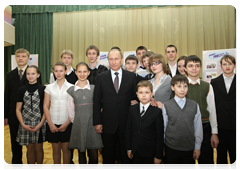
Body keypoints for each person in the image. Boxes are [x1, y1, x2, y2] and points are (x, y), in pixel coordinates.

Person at [93, 49, 137, 169]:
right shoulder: (101, 78)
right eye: (111, 59)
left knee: (126, 155)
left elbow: (136, 98)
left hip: (126, 123)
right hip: (107, 123)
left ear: (122, 59)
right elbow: (96, 101)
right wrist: (97, 122)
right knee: (108, 155)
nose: (113, 62)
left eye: (116, 58)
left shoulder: (131, 77)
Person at [4, 48, 42, 169]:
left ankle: (31, 164)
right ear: (15, 58)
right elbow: (6, 95)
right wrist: (5, 115)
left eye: (23, 56)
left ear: (28, 58)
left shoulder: (34, 73)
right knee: (15, 142)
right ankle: (17, 164)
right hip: (13, 113)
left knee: (30, 144)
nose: (20, 58)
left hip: (31, 114)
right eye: (18, 56)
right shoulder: (10, 75)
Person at [185, 55, 219, 169]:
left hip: (205, 127)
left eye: (197, 66)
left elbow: (212, 110)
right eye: (190, 66)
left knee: (207, 161)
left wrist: (214, 132)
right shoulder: (181, 86)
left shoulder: (207, 86)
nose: (194, 68)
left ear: (200, 68)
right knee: (188, 162)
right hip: (187, 128)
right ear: (185, 68)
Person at [67, 62, 103, 169]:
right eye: (79, 71)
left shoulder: (94, 88)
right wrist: (77, 121)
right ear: (76, 73)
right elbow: (70, 109)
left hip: (93, 124)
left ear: (88, 73)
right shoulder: (71, 90)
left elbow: (99, 106)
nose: (82, 74)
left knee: (94, 156)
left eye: (84, 71)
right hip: (79, 125)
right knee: (81, 153)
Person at [162, 74, 203, 169]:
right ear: (172, 87)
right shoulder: (166, 105)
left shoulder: (194, 105)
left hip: (189, 148)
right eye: (179, 86)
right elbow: (164, 127)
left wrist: (197, 147)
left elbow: (198, 127)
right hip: (171, 148)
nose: (182, 89)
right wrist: (162, 147)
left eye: (185, 86)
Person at [126, 80, 164, 169]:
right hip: (136, 151)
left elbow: (160, 135)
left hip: (151, 152)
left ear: (152, 94)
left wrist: (158, 155)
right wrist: (129, 148)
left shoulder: (157, 112)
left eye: (147, 92)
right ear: (137, 94)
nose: (143, 95)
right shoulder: (132, 109)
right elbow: (129, 130)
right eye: (141, 92)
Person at [44, 62, 73, 169]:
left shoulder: (72, 87)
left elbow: (73, 108)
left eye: (61, 70)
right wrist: (50, 124)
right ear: (53, 72)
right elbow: (45, 106)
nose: (58, 73)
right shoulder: (49, 87)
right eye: (56, 71)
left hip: (67, 122)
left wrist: (66, 123)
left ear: (65, 71)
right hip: (53, 122)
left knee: (66, 150)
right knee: (56, 151)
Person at [16, 65, 46, 169]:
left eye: (33, 74)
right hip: (26, 122)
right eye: (28, 74)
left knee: (39, 148)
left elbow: (46, 109)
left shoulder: (43, 89)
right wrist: (23, 124)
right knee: (30, 149)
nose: (30, 76)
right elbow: (18, 109)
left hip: (39, 122)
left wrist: (41, 124)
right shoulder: (21, 90)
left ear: (38, 75)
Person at [210, 55, 238, 169]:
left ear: (235, 65)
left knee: (236, 157)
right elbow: (212, 105)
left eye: (230, 64)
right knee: (221, 158)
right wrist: (214, 131)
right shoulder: (214, 82)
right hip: (220, 126)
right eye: (225, 64)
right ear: (221, 66)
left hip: (236, 126)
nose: (227, 66)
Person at [51, 49, 77, 169]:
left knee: (68, 145)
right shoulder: (54, 75)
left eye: (68, 57)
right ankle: (56, 164)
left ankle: (69, 162)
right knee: (56, 147)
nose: (66, 59)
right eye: (64, 57)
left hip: (69, 113)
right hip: (56, 113)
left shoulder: (76, 74)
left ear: (71, 59)